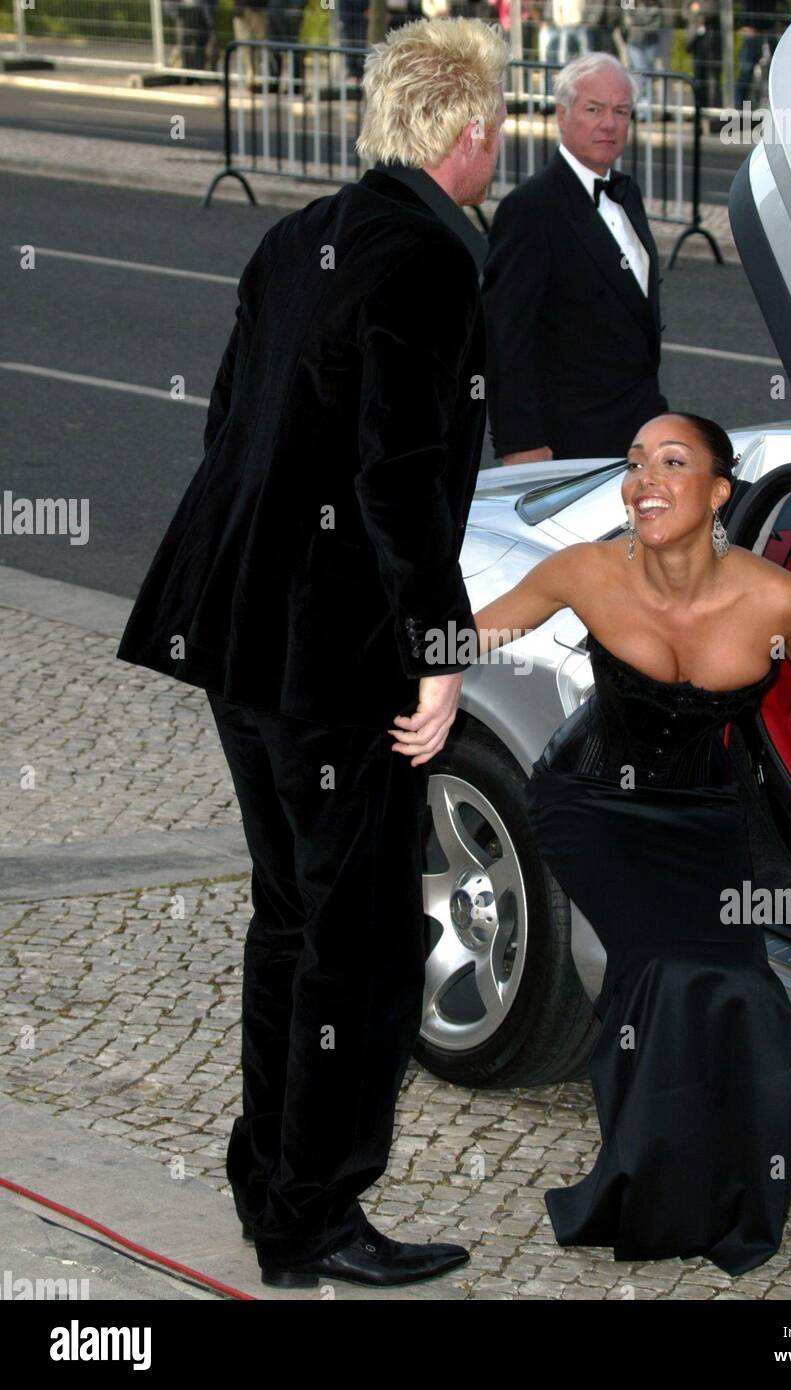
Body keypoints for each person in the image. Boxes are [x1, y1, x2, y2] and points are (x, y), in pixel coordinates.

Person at [115, 17, 509, 1290]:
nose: (499, 143)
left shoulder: (296, 237)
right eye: (497, 122)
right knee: (362, 944)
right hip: (334, 656)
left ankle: (270, 1182)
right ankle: (314, 1215)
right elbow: (395, 477)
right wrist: (440, 654)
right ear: (462, 133)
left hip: (238, 631)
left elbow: (229, 427)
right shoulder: (429, 260)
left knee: (292, 916)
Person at [428, 411, 791, 1274]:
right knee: (666, 974)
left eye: (671, 463)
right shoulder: (586, 572)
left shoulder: (777, 599)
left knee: (741, 989)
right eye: (635, 462)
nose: (644, 480)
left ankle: (732, 1194)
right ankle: (643, 1190)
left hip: (700, 815)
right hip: (591, 802)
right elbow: (470, 635)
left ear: (718, 492)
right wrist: (420, 675)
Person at [483, 51, 668, 464]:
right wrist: (520, 443)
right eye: (594, 109)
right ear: (561, 115)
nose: (609, 123)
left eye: (621, 111)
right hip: (568, 444)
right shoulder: (530, 209)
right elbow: (506, 338)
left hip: (640, 432)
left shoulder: (627, 193)